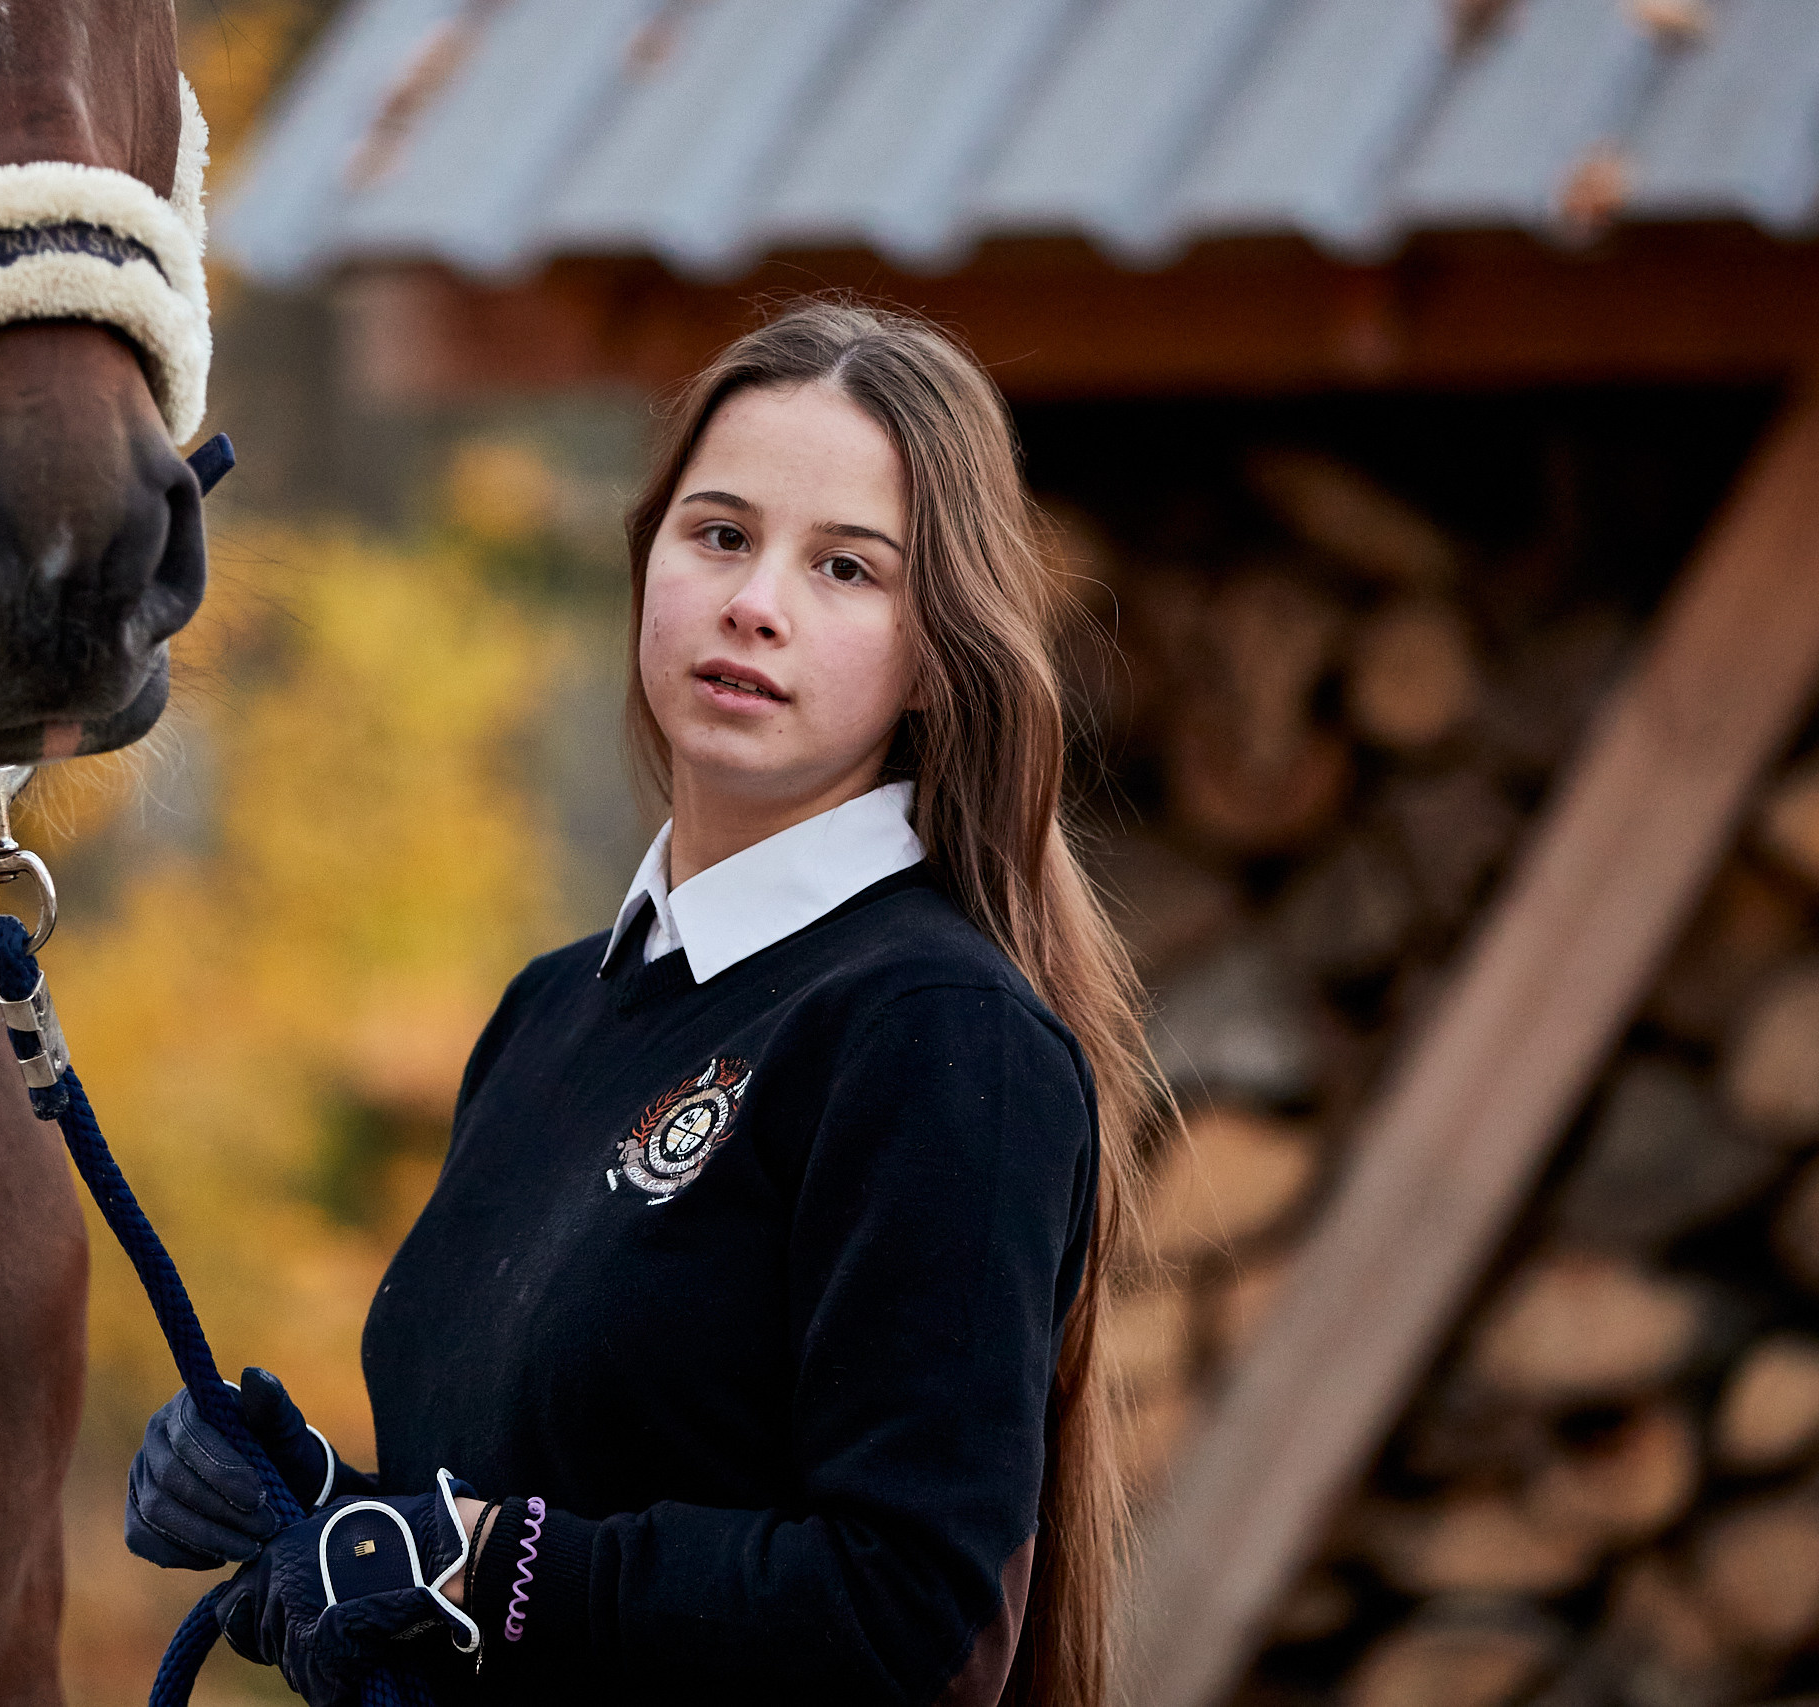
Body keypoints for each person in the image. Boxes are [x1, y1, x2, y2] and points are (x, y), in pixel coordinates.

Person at [124, 299, 1158, 1707]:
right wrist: (322, 1513)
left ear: (936, 652)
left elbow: (915, 1616)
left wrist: (478, 1569)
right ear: (649, 562)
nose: (756, 602)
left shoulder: (935, 1034)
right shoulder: (551, 1011)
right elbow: (542, 1514)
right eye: (720, 535)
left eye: (845, 567)